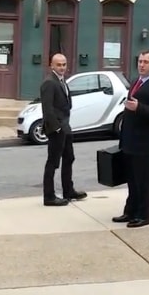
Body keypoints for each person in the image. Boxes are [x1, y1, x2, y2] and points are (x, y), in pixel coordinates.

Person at [112, 49, 149, 228]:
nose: (142, 65)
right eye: (140, 61)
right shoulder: (136, 82)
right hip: (130, 141)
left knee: (143, 181)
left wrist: (139, 108)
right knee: (132, 180)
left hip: (145, 144)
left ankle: (143, 215)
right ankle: (130, 212)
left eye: (146, 62)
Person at [40, 53, 87, 206]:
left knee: (69, 158)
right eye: (58, 65)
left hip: (66, 127)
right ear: (51, 66)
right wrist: (57, 129)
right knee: (52, 163)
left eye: (64, 64)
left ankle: (68, 190)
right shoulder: (49, 82)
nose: (62, 68)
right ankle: (49, 197)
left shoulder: (62, 81)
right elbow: (47, 110)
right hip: (57, 129)